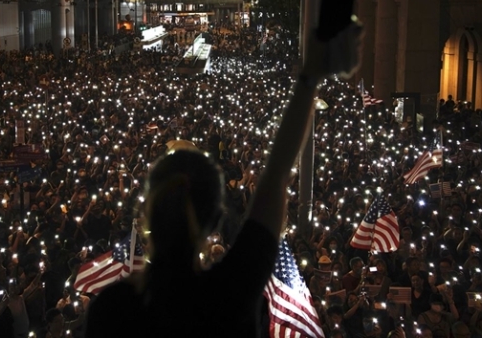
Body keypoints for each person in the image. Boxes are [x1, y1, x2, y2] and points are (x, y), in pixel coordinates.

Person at [84, 20, 363, 337]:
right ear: (216, 217)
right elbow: (276, 175)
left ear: (147, 212)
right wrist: (311, 75)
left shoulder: (112, 309)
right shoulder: (231, 292)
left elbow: (275, 177)